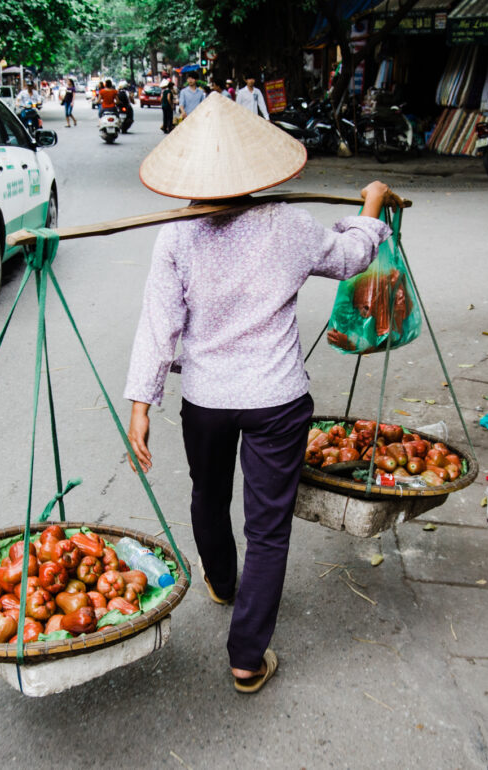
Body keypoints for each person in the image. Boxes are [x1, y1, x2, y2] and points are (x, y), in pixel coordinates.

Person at [125, 93, 400, 693]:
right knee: (269, 531)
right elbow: (353, 255)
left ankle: (222, 581)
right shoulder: (287, 225)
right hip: (276, 398)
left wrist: (141, 403)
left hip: (207, 400)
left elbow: (158, 324)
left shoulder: (175, 234)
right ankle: (247, 657)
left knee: (208, 493)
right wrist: (372, 206)